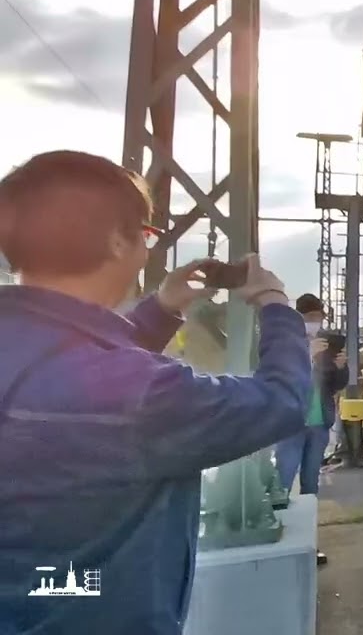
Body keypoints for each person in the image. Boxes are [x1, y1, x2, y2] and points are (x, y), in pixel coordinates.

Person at [0, 150, 312, 635]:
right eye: (146, 235)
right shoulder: (144, 396)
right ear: (117, 240)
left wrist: (163, 308)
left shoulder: (35, 352)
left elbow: (79, 372)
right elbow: (282, 402)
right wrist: (276, 305)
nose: (147, 249)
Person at [273, 294, 347, 499]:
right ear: (299, 317)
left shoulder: (327, 344)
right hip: (292, 422)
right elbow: (281, 374)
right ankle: (278, 518)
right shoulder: (285, 341)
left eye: (319, 317)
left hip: (319, 421)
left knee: (311, 479)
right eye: (311, 317)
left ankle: (308, 518)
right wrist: (307, 355)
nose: (316, 322)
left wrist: (341, 368)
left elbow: (336, 384)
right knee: (284, 476)